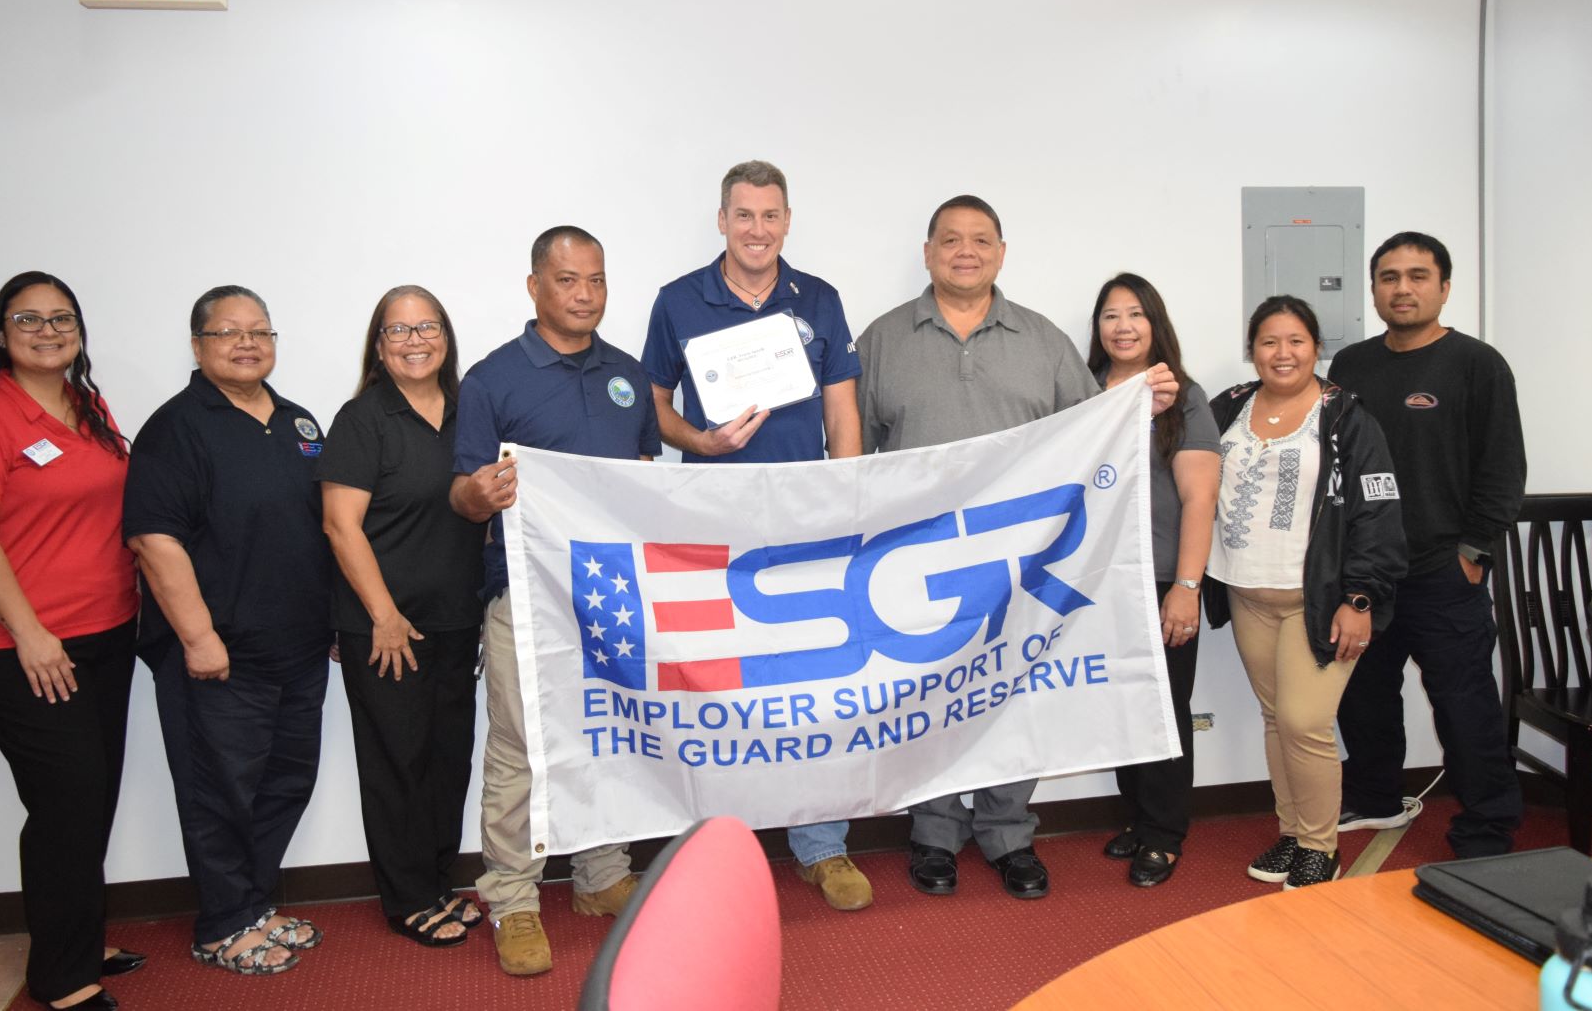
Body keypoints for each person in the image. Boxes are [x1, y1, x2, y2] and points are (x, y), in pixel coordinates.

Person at [857, 203, 1180, 900]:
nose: (964, 252)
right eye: (950, 241)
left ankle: (1008, 836)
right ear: (926, 252)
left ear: (1002, 252)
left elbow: (1091, 434)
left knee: (1014, 699)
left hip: (1020, 562)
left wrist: (1136, 403)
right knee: (930, 700)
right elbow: (853, 455)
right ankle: (934, 834)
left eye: (979, 241)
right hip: (918, 565)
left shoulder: (1043, 340)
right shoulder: (881, 340)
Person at [642, 159, 872, 912]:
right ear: (721, 220)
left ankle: (823, 848)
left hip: (808, 522)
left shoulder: (822, 300)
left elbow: (843, 413)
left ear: (786, 221)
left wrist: (848, 498)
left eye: (770, 216)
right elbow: (654, 411)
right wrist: (699, 443)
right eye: (744, 215)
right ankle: (714, 850)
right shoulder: (678, 301)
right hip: (709, 525)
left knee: (815, 687)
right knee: (717, 687)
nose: (757, 229)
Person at [452, 227, 659, 976]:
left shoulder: (629, 377)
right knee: (520, 748)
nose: (584, 295)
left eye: (596, 281)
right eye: (568, 280)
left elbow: (641, 479)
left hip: (609, 596)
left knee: (607, 730)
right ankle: (510, 896)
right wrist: (475, 495)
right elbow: (462, 493)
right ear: (534, 286)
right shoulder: (491, 379)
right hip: (525, 593)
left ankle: (601, 874)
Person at [0, 272, 143, 1011]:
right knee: (67, 805)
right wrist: (31, 634)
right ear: (1, 333)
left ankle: (77, 941)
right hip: (22, 650)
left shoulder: (89, 408)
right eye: (28, 318)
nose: (47, 329)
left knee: (91, 801)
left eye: (62, 318)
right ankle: (60, 976)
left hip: (107, 637)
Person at [123, 286, 331, 976]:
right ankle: (219, 924)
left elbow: (320, 529)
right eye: (227, 332)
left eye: (259, 331)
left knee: (282, 784)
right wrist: (197, 636)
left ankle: (252, 906)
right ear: (197, 345)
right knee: (219, 793)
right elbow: (155, 540)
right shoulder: (176, 427)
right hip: (220, 655)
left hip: (299, 648)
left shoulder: (300, 423)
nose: (247, 343)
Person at [1200, 296, 1407, 889]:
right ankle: (1292, 834)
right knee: (1276, 719)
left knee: (1304, 721)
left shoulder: (1347, 417)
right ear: (1252, 350)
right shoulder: (1228, 408)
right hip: (1246, 592)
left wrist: (1361, 597)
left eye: (1295, 341)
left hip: (1318, 600)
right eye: (1269, 341)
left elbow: (1378, 512)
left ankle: (1322, 846)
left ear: (1317, 348)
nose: (1282, 353)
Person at [1331, 232, 1526, 858]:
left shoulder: (1478, 364)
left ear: (1444, 287)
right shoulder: (1351, 366)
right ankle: (1377, 796)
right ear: (1374, 289)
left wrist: (1474, 553)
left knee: (1464, 706)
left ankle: (1488, 822)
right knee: (1363, 698)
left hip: (1446, 570)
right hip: (1367, 570)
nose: (1403, 288)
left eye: (1418, 276)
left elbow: (1503, 467)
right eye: (1389, 277)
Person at [320, 286, 488, 947]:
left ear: (445, 336)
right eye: (399, 331)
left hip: (456, 621)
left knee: (447, 762)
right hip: (387, 629)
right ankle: (408, 897)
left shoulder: (471, 411)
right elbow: (340, 526)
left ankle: (439, 881)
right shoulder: (363, 418)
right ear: (379, 345)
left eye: (427, 327)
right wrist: (382, 616)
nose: (415, 341)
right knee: (397, 765)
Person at [1086, 272, 1221, 888]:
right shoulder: (1085, 396)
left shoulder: (1184, 397)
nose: (1122, 326)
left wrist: (1186, 588)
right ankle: (1140, 820)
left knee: (1165, 708)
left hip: (1165, 576)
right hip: (1101, 580)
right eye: (1110, 315)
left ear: (1155, 323)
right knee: (1120, 707)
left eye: (1135, 314)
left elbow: (1200, 499)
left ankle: (1166, 836)